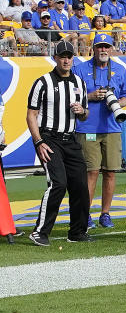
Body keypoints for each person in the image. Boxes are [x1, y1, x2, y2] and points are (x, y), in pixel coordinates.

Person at [26, 40, 91, 246]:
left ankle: (77, 232)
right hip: (49, 138)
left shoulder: (80, 83)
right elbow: (31, 114)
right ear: (55, 58)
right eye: (62, 56)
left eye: (69, 56)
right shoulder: (42, 82)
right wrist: (38, 142)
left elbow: (85, 114)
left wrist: (82, 112)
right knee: (58, 183)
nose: (66, 60)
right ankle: (40, 232)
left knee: (81, 185)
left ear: (73, 59)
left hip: (71, 139)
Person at [73, 32, 126, 229]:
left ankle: (105, 214)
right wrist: (91, 96)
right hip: (87, 128)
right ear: (93, 49)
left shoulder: (120, 70)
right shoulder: (80, 69)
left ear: (111, 48)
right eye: (99, 46)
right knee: (91, 172)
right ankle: (85, 214)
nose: (103, 50)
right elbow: (73, 97)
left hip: (112, 128)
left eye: (106, 46)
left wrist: (116, 103)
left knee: (110, 172)